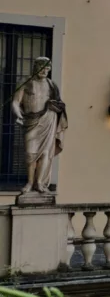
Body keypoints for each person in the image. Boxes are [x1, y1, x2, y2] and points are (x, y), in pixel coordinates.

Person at [11, 57, 68, 195]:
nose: (44, 71)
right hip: (31, 121)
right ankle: (30, 182)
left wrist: (57, 106)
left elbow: (59, 103)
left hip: (48, 119)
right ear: (35, 67)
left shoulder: (51, 85)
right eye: (41, 67)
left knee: (45, 153)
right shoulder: (25, 82)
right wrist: (18, 115)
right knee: (30, 153)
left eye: (47, 68)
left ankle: (39, 183)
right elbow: (15, 102)